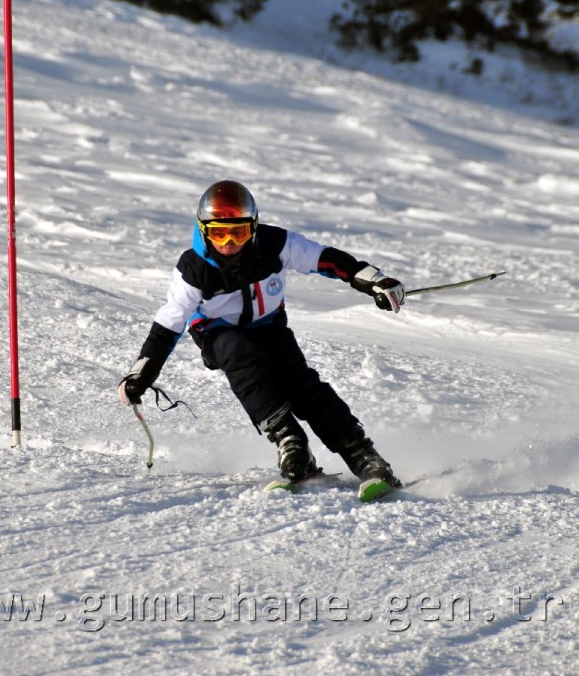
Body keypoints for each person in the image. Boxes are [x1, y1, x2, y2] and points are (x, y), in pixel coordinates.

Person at [118, 180, 405, 486]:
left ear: (253, 228)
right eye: (219, 232)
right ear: (203, 230)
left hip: (268, 325)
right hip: (217, 331)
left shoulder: (274, 244)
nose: (229, 242)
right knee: (239, 353)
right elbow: (168, 324)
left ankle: (362, 454)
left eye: (239, 232)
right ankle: (289, 439)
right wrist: (141, 373)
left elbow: (323, 258)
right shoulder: (194, 268)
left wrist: (372, 279)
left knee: (301, 383)